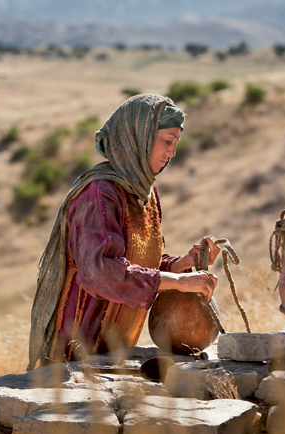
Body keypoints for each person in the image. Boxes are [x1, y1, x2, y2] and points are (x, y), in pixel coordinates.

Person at [27, 94, 221, 369]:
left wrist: (182, 264)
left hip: (114, 347)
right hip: (77, 348)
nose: (172, 153)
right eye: (167, 141)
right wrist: (177, 282)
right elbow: (102, 272)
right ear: (138, 138)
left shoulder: (145, 191)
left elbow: (136, 260)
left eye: (176, 143)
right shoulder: (99, 194)